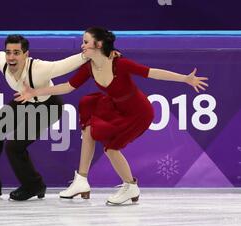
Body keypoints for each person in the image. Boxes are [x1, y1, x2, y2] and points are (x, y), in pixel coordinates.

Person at [16, 27, 208, 205]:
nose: (81, 46)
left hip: (138, 112)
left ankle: (131, 186)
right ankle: (81, 180)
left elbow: (152, 73)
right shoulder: (89, 67)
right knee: (89, 125)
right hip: (115, 106)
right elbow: (68, 86)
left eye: (85, 42)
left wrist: (185, 79)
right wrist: (34, 92)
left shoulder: (120, 64)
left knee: (111, 149)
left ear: (98, 45)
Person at [0, 34, 90, 201]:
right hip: (24, 101)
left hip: (48, 107)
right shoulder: (2, 60)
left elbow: (64, 65)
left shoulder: (39, 69)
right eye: (8, 52)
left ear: (26, 54)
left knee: (14, 146)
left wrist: (86, 55)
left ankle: (34, 185)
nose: (11, 57)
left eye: (16, 53)